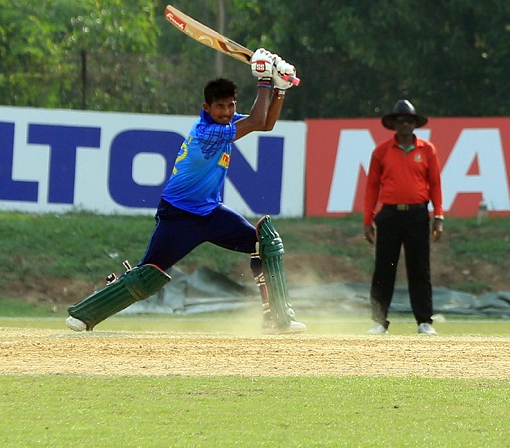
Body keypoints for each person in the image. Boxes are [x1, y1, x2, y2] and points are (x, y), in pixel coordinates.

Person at [66, 49, 305, 334]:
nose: (227, 112)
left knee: (265, 244)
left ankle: (278, 319)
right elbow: (255, 121)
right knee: (148, 274)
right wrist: (265, 80)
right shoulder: (208, 132)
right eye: (220, 107)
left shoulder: (226, 123)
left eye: (230, 106)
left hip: (211, 213)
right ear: (207, 107)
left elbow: (265, 123)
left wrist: (279, 88)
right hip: (179, 215)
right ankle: (85, 314)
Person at [364, 99, 443, 335]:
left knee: (420, 269)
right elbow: (371, 187)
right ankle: (379, 321)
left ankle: (424, 321)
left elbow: (435, 184)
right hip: (389, 215)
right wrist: (368, 220)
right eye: (401, 121)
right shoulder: (381, 151)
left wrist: (439, 215)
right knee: (384, 269)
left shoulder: (427, 149)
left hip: (418, 214)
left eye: (409, 121)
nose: (405, 125)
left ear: (414, 124)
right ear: (394, 124)